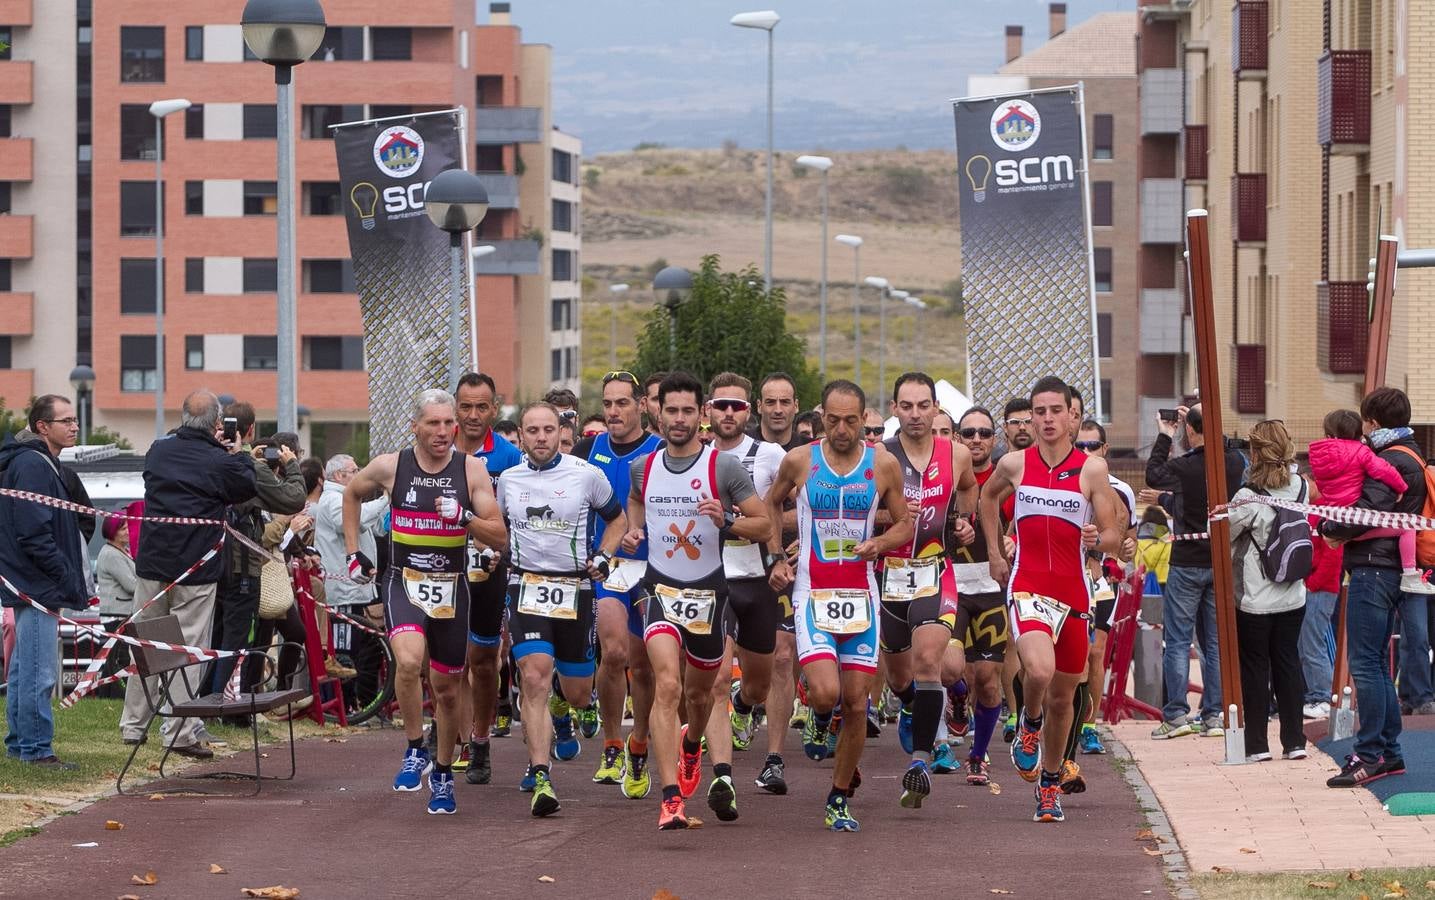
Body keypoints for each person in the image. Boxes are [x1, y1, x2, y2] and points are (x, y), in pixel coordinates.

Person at [343, 389, 507, 815]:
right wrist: (351, 551)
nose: (442, 431)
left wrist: (465, 518)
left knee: (449, 691)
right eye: (432, 423)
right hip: (405, 581)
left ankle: (443, 773)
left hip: (453, 587)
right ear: (414, 426)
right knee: (411, 661)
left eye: (447, 423)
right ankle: (415, 747)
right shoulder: (390, 465)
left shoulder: (471, 471)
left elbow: (500, 535)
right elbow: (351, 494)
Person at [623, 372, 770, 830]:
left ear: (701, 413)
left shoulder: (722, 467)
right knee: (666, 685)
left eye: (689, 411)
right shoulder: (643, 468)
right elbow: (634, 499)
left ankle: (692, 746)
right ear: (657, 412)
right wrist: (633, 528)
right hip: (659, 589)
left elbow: (763, 525)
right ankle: (670, 799)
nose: (680, 419)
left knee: (699, 692)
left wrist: (726, 519)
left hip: (710, 592)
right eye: (671, 411)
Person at [767, 379, 913, 832]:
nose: (843, 429)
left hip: (861, 595)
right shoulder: (800, 461)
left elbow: (906, 525)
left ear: (865, 419)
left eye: (852, 420)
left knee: (856, 704)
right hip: (813, 591)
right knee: (827, 693)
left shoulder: (883, 464)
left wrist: (880, 542)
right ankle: (817, 713)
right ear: (820, 418)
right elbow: (771, 505)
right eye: (834, 420)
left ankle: (838, 794)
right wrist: (775, 557)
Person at [979, 376, 1122, 823]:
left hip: (1076, 592)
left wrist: (1101, 538)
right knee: (1037, 670)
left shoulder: (1091, 470)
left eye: (1054, 411)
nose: (1046, 420)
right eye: (1038, 412)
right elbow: (986, 498)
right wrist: (993, 551)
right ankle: (1029, 723)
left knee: (1066, 697)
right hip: (1028, 586)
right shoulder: (1015, 464)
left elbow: (1116, 534)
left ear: (1072, 416)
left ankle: (1050, 782)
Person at [497, 402, 627, 816]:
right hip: (526, 587)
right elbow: (498, 528)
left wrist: (604, 556)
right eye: (532, 430)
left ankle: (566, 702)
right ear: (521, 433)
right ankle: (541, 774)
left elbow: (618, 519)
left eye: (548, 430)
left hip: (575, 589)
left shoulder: (586, 475)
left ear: (560, 432)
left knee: (577, 690)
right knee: (533, 676)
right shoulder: (508, 481)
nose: (540, 438)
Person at [119, 391, 259, 758]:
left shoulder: (158, 451)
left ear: (182, 418)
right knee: (190, 648)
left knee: (144, 643)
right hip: (197, 565)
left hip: (153, 561)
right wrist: (236, 451)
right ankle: (179, 732)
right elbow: (245, 485)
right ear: (218, 424)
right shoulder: (219, 460)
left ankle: (133, 725)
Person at [877, 373, 978, 809]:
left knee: (929, 660)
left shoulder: (954, 453)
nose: (916, 414)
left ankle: (920, 761)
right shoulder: (880, 457)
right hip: (889, 572)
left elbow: (970, 488)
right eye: (907, 406)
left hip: (935, 570)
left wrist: (962, 521)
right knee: (900, 677)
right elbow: (861, 515)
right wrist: (892, 517)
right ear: (895, 409)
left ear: (937, 409)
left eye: (924, 406)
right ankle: (909, 706)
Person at [1322, 387, 1427, 786]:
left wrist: (1332, 530)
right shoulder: (1412, 454)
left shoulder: (1392, 460)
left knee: (1365, 663)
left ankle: (1369, 754)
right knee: (1378, 664)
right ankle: (1389, 753)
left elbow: (1371, 506)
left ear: (1373, 422)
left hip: (1374, 567)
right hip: (1394, 566)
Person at [572, 371, 663, 797]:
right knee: (613, 652)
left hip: (651, 570)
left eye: (622, 403)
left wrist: (644, 532)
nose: (613, 412)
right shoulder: (588, 449)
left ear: (641, 404)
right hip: (607, 567)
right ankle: (611, 743)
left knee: (643, 664)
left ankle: (639, 742)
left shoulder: (659, 450)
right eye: (607, 403)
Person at [702, 372, 787, 812]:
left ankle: (744, 704)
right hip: (712, 580)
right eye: (721, 405)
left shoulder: (770, 454)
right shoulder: (691, 457)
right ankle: (723, 777)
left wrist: (778, 556)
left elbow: (787, 512)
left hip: (758, 580)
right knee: (717, 678)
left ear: (748, 411)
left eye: (737, 406)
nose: (729, 413)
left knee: (756, 684)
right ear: (708, 411)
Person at [1145, 403, 1246, 739]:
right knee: (1214, 643)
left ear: (1190, 429)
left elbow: (1154, 474)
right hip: (1220, 561)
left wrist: (1165, 434)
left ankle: (1175, 715)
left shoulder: (1185, 467)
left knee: (1177, 641)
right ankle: (1214, 714)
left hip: (1187, 561)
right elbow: (1231, 450)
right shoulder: (1233, 463)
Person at [0, 396, 87, 768]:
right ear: (42, 426)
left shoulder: (40, 463)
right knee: (38, 670)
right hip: (36, 583)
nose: (74, 427)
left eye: (75, 420)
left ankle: (21, 744)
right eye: (65, 421)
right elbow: (34, 533)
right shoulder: (33, 466)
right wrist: (64, 574)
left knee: (23, 667)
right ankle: (36, 749)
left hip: (34, 581)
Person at [451, 372, 525, 786]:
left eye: (482, 407)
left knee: (481, 660)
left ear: (494, 409)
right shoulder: (439, 450)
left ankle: (479, 740)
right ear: (455, 407)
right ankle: (452, 734)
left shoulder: (511, 458)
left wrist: (503, 552)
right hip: (444, 567)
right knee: (444, 660)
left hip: (491, 568)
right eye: (466, 406)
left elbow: (518, 519)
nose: (474, 415)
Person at [210, 402, 307, 702]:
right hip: (243, 566)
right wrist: (290, 465)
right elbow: (293, 498)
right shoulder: (246, 467)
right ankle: (224, 705)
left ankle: (210, 700)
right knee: (240, 640)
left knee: (215, 637)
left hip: (211, 563)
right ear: (251, 430)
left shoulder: (210, 459)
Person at [1226, 420, 1309, 762]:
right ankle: (1295, 742)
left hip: (1255, 598)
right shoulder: (1301, 487)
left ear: (1256, 453)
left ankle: (1257, 745)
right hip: (1294, 592)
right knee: (1289, 663)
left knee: (1255, 668)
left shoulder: (1247, 497)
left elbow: (1222, 533)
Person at [947, 405, 1010, 786]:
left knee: (987, 679)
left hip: (990, 590)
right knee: (949, 670)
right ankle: (956, 695)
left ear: (994, 439)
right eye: (968, 433)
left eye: (983, 433)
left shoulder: (1006, 478)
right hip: (949, 586)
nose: (976, 440)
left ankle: (977, 755)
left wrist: (1012, 540)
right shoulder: (948, 476)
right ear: (958, 437)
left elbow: (1023, 522)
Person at [1309, 409, 1427, 595]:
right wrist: (1401, 487)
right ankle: (1410, 574)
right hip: (1357, 520)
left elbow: (1324, 487)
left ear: (1328, 434)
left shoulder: (1318, 456)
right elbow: (1384, 470)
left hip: (1337, 517)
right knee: (1407, 525)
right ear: (1359, 433)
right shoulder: (1361, 452)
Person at [1073, 419, 1137, 760]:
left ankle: (1089, 726)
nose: (1085, 453)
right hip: (1066, 577)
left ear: (1104, 450)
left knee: (1096, 652)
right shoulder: (1066, 480)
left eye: (1092, 446)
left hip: (1101, 579)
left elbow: (1130, 541)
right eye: (1079, 446)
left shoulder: (1120, 490)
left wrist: (1125, 552)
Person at [97, 516, 138, 628]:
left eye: (128, 527)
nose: (128, 531)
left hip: (124, 615)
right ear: (112, 531)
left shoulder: (124, 551)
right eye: (123, 529)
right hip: (117, 616)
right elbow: (131, 586)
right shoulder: (112, 554)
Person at [758, 372, 804, 450]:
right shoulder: (740, 446)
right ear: (759, 406)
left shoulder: (811, 450)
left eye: (785, 402)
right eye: (770, 402)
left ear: (796, 406)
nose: (778, 410)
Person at [642, 372, 667, 438]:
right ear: (644, 405)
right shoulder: (635, 447)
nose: (662, 405)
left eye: (670, 399)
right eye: (656, 399)